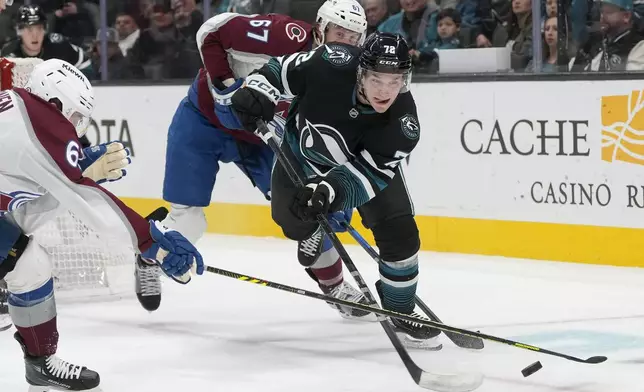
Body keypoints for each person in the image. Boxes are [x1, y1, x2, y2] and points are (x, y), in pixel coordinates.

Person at [134, 0, 370, 319]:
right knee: (187, 221)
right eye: (339, 33)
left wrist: (334, 191)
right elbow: (211, 31)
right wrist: (225, 88)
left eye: (354, 38)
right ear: (319, 29)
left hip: (261, 137)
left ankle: (335, 286)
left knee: (311, 207)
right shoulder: (283, 36)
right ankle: (149, 259)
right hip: (204, 122)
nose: (345, 43)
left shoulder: (346, 80)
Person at [0, 58, 204, 391]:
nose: (76, 129)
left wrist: (79, 173)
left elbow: (25, 214)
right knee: (29, 263)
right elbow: (91, 203)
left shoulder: (16, 112)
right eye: (76, 116)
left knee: (30, 263)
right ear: (54, 103)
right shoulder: (41, 120)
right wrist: (149, 239)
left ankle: (40, 365)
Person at [228, 32, 441, 350]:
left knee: (401, 234)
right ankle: (311, 230)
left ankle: (399, 308)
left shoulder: (403, 124)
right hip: (302, 156)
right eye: (377, 79)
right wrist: (257, 91)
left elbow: (368, 174)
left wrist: (329, 190)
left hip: (362, 167)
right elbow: (281, 71)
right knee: (290, 218)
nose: (385, 91)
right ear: (361, 72)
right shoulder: (329, 62)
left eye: (394, 81)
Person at [1, 5, 91, 74]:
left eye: (39, 28)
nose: (35, 35)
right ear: (19, 31)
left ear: (45, 29)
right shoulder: (8, 52)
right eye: (29, 29)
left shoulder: (59, 46)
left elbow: (85, 64)